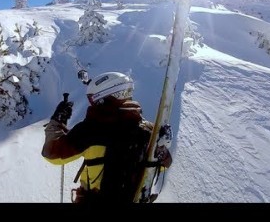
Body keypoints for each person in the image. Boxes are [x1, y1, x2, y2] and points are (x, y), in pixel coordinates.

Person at [41, 71, 172, 203]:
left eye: (93, 99)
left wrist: (56, 123)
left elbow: (52, 155)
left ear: (103, 98)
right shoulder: (148, 130)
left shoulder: (90, 130)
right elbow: (160, 165)